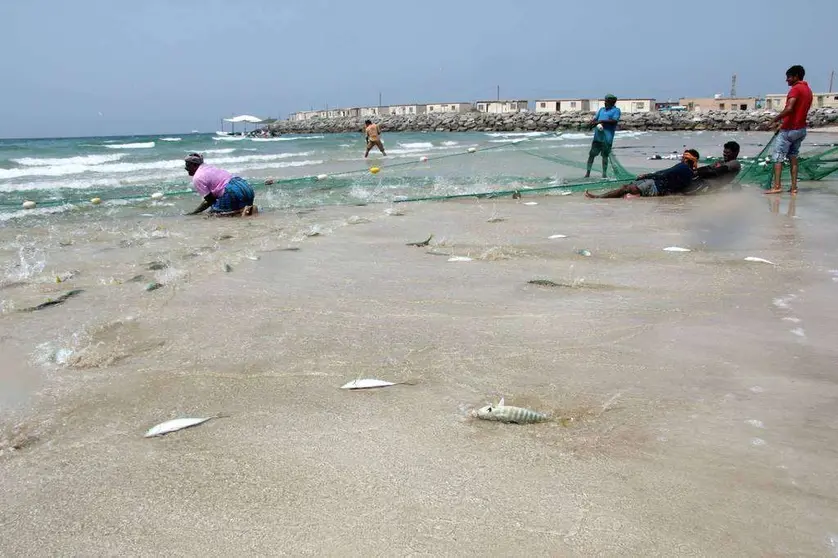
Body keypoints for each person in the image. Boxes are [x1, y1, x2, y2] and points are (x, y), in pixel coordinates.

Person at [766, 65, 813, 195]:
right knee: (793, 156)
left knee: (778, 157)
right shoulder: (808, 90)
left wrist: (774, 120)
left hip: (789, 131)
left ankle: (777, 186)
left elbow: (790, 109)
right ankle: (793, 187)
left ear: (796, 76)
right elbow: (797, 112)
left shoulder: (795, 89)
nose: (787, 80)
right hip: (801, 130)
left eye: (789, 77)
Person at [585, 149, 699, 198]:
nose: (681, 158)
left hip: (654, 185)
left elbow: (665, 173)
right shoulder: (691, 172)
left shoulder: (682, 167)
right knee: (627, 189)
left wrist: (647, 175)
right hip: (659, 188)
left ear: (686, 159)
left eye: (684, 156)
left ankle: (598, 198)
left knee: (625, 188)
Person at [184, 153, 257, 217]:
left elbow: (210, 200)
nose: (185, 168)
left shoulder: (197, 177)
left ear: (194, 165)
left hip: (231, 190)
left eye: (187, 165)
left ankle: (242, 211)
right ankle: (247, 209)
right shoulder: (209, 167)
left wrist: (195, 212)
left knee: (213, 215)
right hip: (245, 185)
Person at [585, 94, 621, 178]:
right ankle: (587, 173)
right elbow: (595, 119)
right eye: (605, 101)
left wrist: (601, 121)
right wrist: (592, 123)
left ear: (612, 102)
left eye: (607, 101)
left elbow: (614, 121)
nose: (605, 102)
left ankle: (604, 174)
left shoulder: (616, 110)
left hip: (607, 138)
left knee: (604, 156)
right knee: (591, 155)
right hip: (597, 138)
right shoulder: (601, 110)